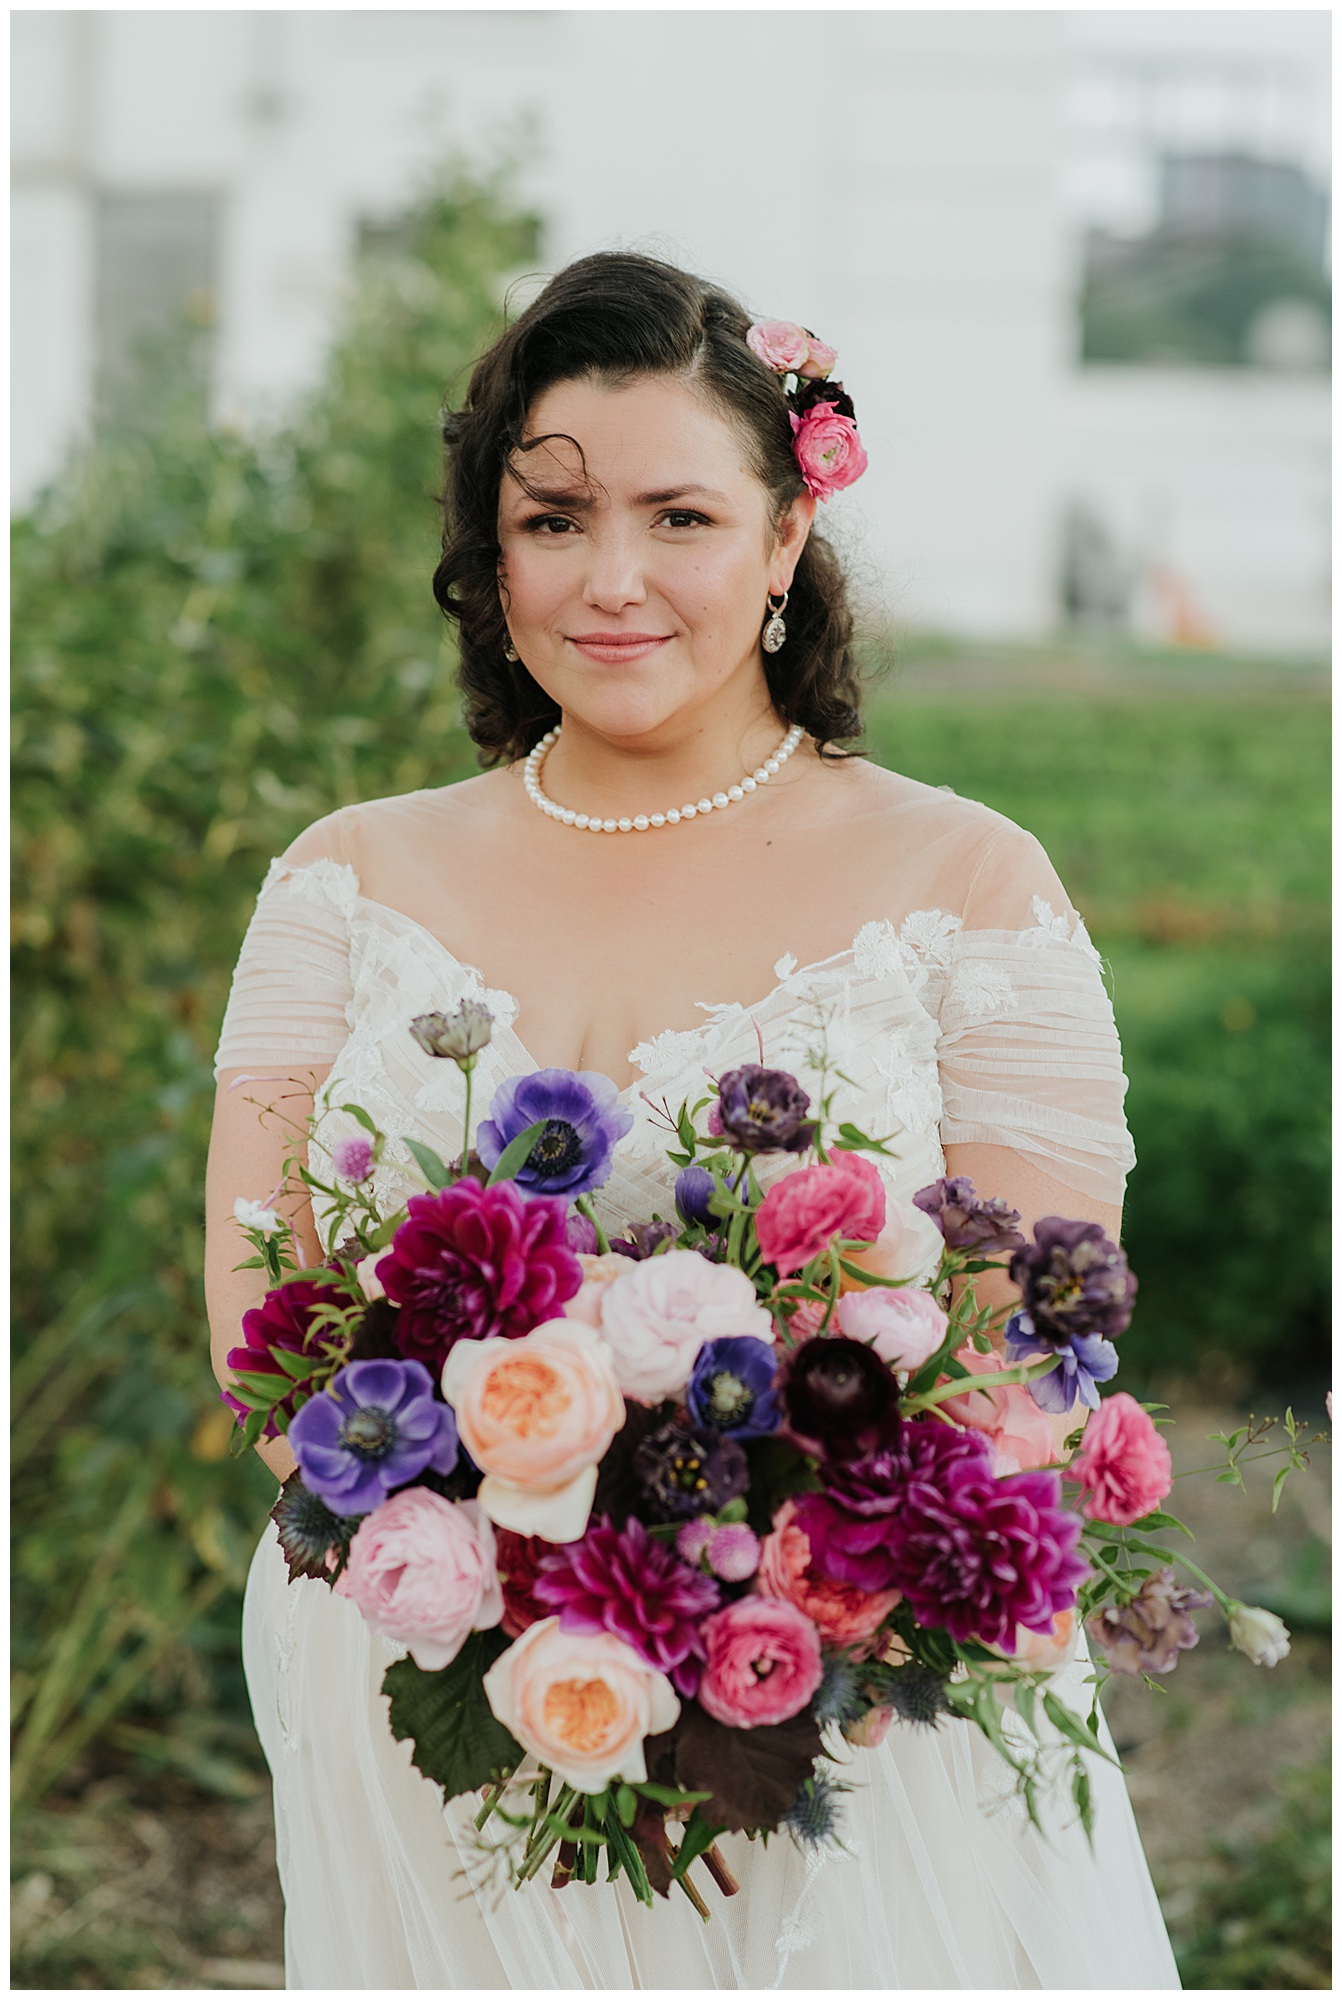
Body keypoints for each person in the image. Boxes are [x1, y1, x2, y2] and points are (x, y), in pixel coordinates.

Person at [205, 252, 1180, 1989]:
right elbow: (265, 1347)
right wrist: (502, 1604)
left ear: (786, 542)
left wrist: (751, 1620)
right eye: (554, 518)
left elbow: (1027, 1367)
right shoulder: (345, 882)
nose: (611, 580)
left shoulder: (964, 883)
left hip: (847, 1718)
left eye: (680, 517)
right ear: (487, 547)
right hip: (415, 1667)